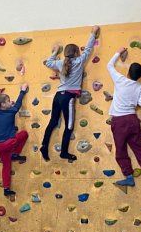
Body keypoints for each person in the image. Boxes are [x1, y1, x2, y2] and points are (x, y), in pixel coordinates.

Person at [40, 26, 100, 162]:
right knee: (69, 125)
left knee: (53, 122)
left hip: (58, 96)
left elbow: (48, 63)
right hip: (68, 98)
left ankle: (44, 145)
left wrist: (55, 51)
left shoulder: (61, 63)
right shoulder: (79, 61)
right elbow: (89, 48)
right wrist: (93, 33)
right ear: (77, 53)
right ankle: (64, 152)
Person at [107, 47, 141, 188]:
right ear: (140, 76)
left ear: (129, 72)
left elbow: (109, 65)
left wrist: (118, 52)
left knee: (121, 149)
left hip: (119, 121)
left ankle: (129, 176)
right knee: (138, 148)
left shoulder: (120, 80)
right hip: (132, 119)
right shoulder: (140, 87)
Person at [0, 84, 29, 198]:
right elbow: (17, 105)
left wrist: (9, 105)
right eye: (8, 101)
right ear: (3, 104)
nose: (11, 102)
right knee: (24, 134)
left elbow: (9, 107)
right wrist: (22, 91)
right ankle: (15, 154)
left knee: (6, 165)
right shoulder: (11, 111)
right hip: (7, 143)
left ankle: (6, 189)